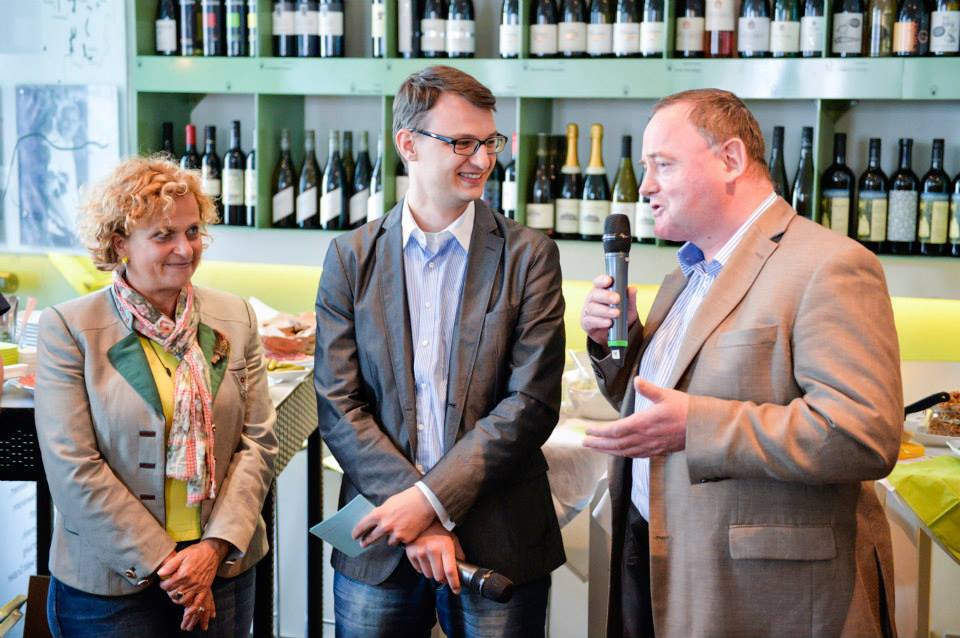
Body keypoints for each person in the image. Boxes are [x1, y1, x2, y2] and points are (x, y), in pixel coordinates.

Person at [580, 89, 902, 638]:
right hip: (663, 564)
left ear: (730, 159)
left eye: (663, 165)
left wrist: (696, 426)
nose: (646, 186)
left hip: (765, 596)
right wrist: (617, 344)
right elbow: (664, 402)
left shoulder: (831, 265)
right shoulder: (686, 273)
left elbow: (862, 434)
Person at [314, 65, 566, 638]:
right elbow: (338, 403)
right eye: (462, 143)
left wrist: (428, 500)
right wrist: (414, 512)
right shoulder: (350, 256)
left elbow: (530, 403)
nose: (482, 159)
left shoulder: (530, 255)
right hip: (380, 534)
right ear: (408, 144)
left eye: (490, 143)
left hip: (499, 534)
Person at [35, 156, 278, 637]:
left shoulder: (236, 317)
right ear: (120, 242)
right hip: (111, 585)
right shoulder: (70, 328)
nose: (185, 249)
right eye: (163, 235)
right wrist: (173, 566)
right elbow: (73, 466)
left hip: (222, 568)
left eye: (193, 231)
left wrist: (211, 551)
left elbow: (257, 444)